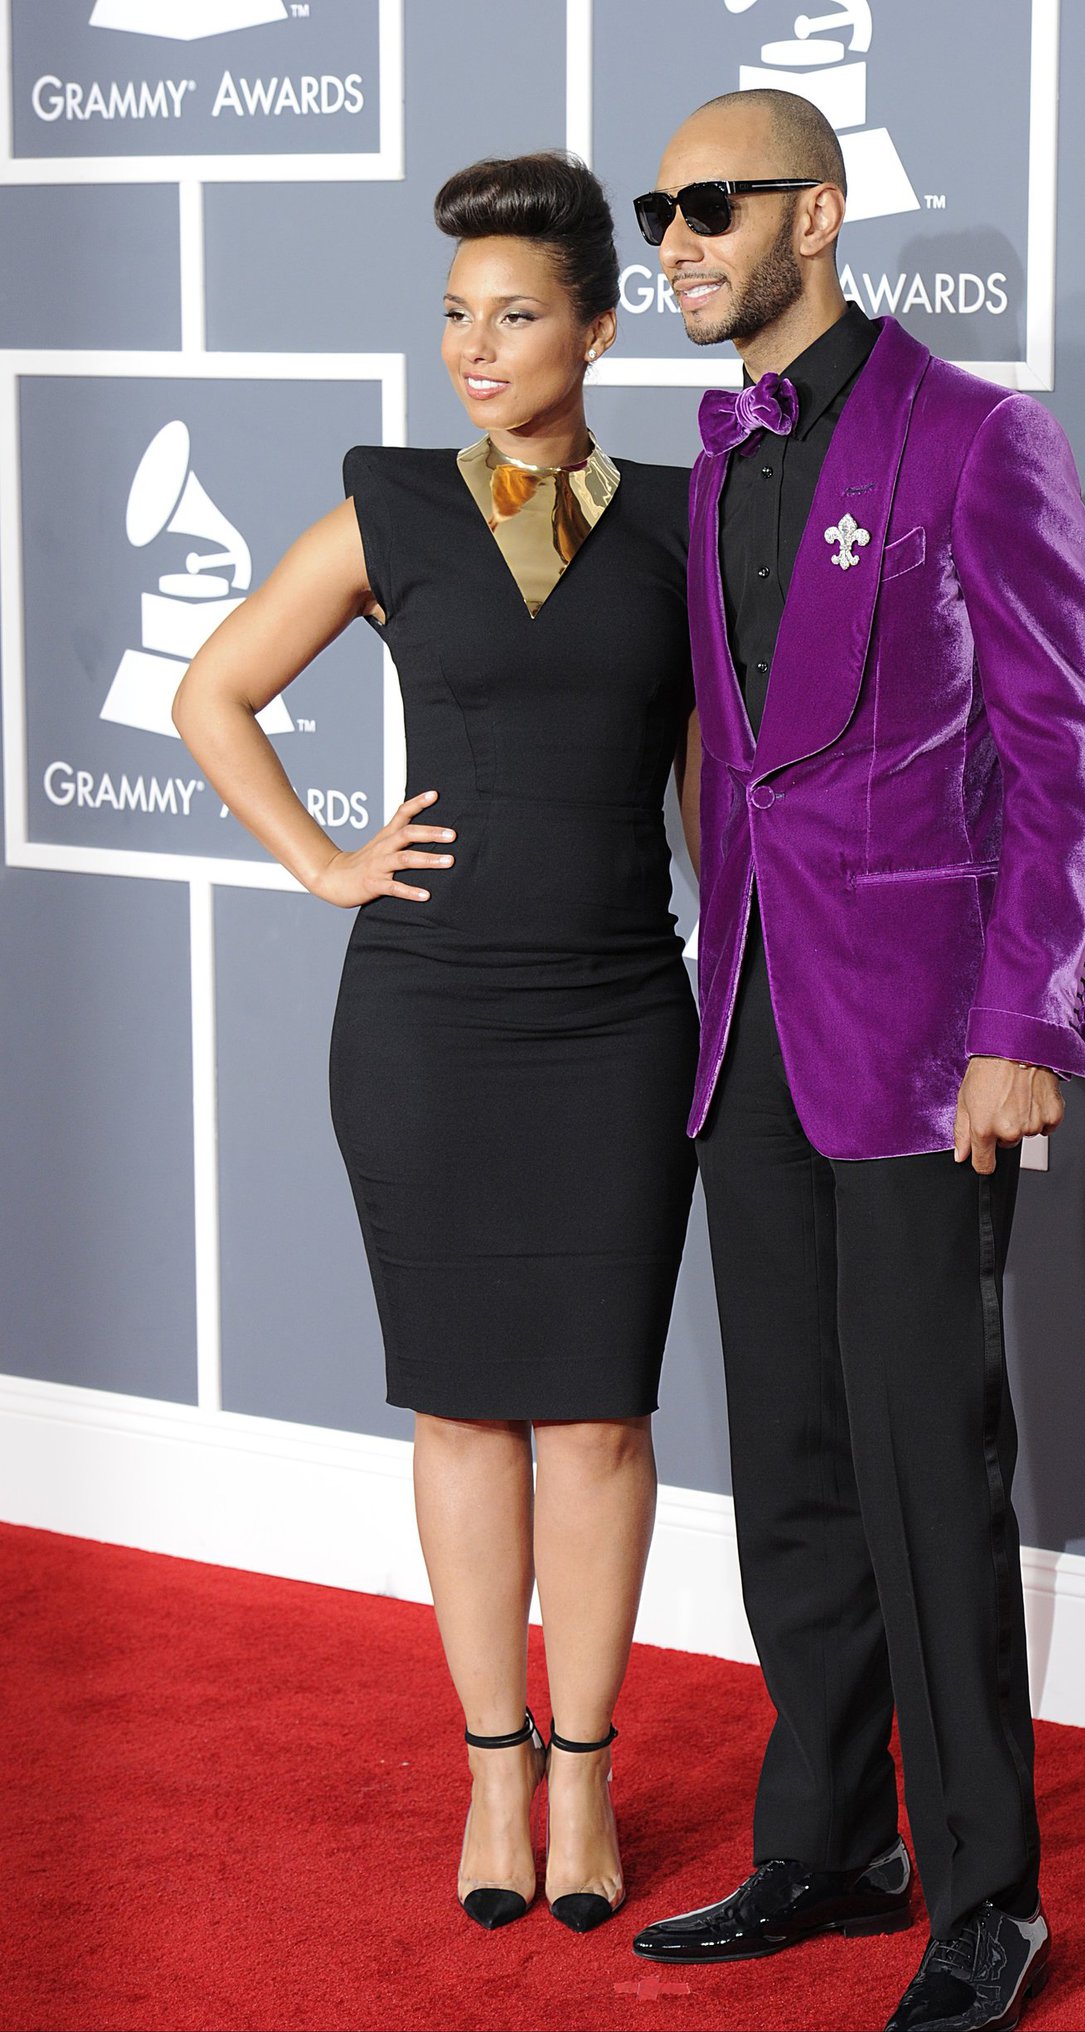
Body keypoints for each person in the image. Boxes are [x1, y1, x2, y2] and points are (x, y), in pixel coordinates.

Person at [628, 92, 1085, 2032]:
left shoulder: (972, 434)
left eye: (709, 204)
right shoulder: (716, 443)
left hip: (924, 1040)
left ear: (815, 216)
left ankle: (982, 1897)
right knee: (793, 1462)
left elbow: (1060, 746)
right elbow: (727, 758)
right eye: (656, 208)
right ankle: (829, 1836)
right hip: (745, 1020)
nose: (671, 235)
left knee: (930, 1464)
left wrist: (1021, 1021)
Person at [173, 153, 699, 1938]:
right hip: (427, 1015)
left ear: (599, 327)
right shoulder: (389, 506)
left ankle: (589, 1769)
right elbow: (211, 690)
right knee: (464, 1408)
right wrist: (326, 858)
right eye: (457, 315)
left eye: (518, 314)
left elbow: (716, 811)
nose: (477, 346)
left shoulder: (680, 526)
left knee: (602, 1420)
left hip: (621, 1012)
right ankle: (493, 1771)